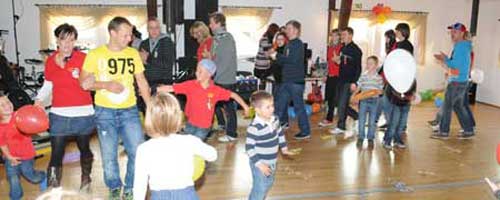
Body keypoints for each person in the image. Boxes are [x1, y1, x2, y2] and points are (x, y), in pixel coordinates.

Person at [79, 16, 151, 200]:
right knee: (109, 156)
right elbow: (84, 83)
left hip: (130, 111)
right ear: (113, 33)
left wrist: (150, 107)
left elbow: (141, 81)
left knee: (138, 152)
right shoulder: (95, 55)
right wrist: (106, 85)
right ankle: (114, 186)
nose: (130, 38)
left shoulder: (133, 54)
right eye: (126, 35)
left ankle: (130, 187)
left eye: (131, 35)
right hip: (105, 112)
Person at [34, 23, 95, 191]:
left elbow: (93, 80)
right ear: (57, 41)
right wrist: (38, 99)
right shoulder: (50, 61)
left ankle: (86, 178)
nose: (67, 44)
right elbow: (48, 84)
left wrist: (91, 80)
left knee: (84, 148)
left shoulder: (83, 58)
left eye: (71, 40)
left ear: (75, 41)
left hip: (83, 113)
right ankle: (54, 188)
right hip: (59, 114)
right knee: (57, 152)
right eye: (63, 40)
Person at [133, 92, 217, 200]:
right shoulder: (189, 141)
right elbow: (213, 155)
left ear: (149, 119)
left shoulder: (144, 149)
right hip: (187, 195)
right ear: (178, 116)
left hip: (159, 196)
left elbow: (140, 184)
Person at [157, 59, 250, 141]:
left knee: (195, 145)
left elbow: (233, 95)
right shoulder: (190, 85)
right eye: (197, 70)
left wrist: (245, 107)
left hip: (204, 126)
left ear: (209, 74)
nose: (197, 73)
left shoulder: (216, 90)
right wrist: (153, 89)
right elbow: (171, 88)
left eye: (200, 71)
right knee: (187, 145)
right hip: (190, 123)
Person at [246, 91, 295, 200]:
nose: (272, 109)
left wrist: (284, 148)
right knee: (260, 188)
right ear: (257, 110)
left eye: (272, 105)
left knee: (268, 183)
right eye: (267, 107)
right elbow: (249, 148)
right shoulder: (254, 127)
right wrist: (260, 165)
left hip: (272, 161)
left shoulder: (275, 119)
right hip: (259, 164)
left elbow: (280, 133)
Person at [431, 22, 474, 140]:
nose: (452, 34)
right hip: (462, 80)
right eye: (451, 32)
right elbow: (458, 64)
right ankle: (468, 130)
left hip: (456, 81)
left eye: (455, 32)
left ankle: (443, 132)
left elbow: (455, 65)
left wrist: (444, 59)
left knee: (447, 107)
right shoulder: (465, 46)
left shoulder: (460, 46)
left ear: (462, 33)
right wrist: (446, 59)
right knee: (459, 107)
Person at [269, 20, 311, 140]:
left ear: (296, 30)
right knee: (279, 106)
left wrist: (276, 55)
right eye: (286, 28)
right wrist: (275, 57)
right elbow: (285, 61)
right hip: (287, 81)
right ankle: (272, 130)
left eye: (288, 28)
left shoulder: (297, 44)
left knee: (298, 107)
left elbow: (291, 59)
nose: (286, 30)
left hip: (295, 82)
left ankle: (305, 131)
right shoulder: (290, 44)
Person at [0, 95, 47, 200]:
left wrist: (39, 111)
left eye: (8, 102)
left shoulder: (19, 116)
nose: (7, 105)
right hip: (10, 157)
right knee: (13, 178)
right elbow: (2, 144)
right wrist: (9, 157)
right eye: (2, 105)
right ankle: (16, 197)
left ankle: (42, 176)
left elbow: (33, 120)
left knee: (31, 176)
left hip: (26, 155)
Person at [208, 12, 240, 143]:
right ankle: (214, 127)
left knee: (229, 108)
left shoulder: (226, 39)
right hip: (218, 78)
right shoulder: (217, 38)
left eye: (211, 23)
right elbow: (216, 58)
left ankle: (232, 133)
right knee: (213, 105)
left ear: (218, 23)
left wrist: (216, 77)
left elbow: (225, 62)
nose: (210, 26)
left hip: (225, 79)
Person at [138, 18, 176, 114]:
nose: (154, 30)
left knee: (162, 113)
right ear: (147, 29)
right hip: (147, 83)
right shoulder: (144, 44)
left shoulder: (167, 42)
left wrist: (149, 59)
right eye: (151, 28)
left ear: (160, 28)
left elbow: (167, 65)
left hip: (162, 83)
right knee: (148, 112)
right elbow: (140, 67)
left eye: (156, 27)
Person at [330, 27, 362, 135]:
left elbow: (358, 68)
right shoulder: (343, 48)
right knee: (339, 103)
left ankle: (341, 126)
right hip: (341, 79)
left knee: (342, 104)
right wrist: (337, 61)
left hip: (349, 81)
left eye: (344, 35)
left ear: (350, 35)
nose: (342, 37)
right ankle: (357, 116)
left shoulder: (356, 50)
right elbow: (343, 64)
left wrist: (355, 82)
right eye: (342, 35)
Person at [353, 56, 383, 147]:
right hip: (363, 101)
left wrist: (379, 91)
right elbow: (359, 86)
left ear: (376, 65)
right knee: (361, 119)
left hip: (374, 101)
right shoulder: (363, 75)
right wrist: (354, 95)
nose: (368, 65)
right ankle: (361, 137)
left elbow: (381, 90)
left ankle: (370, 138)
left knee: (372, 121)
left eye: (371, 63)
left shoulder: (379, 78)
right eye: (367, 63)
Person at [319, 28, 342, 127]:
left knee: (333, 99)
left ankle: (329, 119)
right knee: (328, 97)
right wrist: (325, 75)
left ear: (339, 37)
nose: (334, 37)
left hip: (338, 76)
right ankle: (330, 116)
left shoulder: (342, 48)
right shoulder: (329, 48)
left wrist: (337, 60)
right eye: (332, 35)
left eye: (336, 35)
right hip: (330, 76)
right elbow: (328, 63)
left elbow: (342, 64)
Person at [375, 29, 396, 130]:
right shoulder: (390, 48)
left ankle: (389, 123)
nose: (386, 40)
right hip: (385, 77)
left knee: (384, 101)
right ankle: (375, 120)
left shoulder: (395, 47)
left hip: (389, 78)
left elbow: (390, 63)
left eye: (387, 37)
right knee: (380, 99)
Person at [270, 32, 289, 127]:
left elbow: (285, 64)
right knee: (281, 102)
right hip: (277, 80)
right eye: (278, 39)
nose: (280, 41)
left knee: (279, 103)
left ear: (285, 40)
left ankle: (276, 123)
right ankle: (284, 122)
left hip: (284, 81)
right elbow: (274, 67)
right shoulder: (276, 50)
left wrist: (276, 57)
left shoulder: (286, 51)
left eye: (282, 39)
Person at [254, 23, 280, 89]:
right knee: (263, 83)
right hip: (261, 66)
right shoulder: (265, 39)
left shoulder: (268, 39)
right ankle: (262, 97)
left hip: (264, 65)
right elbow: (267, 54)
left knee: (266, 82)